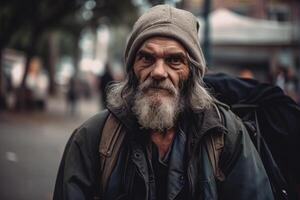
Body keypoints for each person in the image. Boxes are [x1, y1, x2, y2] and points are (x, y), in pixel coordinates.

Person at [54, 5, 274, 200]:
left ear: (192, 73)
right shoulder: (92, 137)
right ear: (132, 68)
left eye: (174, 60)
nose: (158, 72)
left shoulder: (227, 134)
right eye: (147, 58)